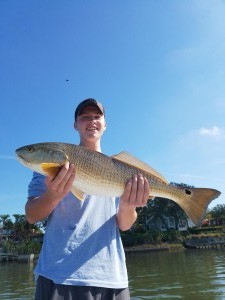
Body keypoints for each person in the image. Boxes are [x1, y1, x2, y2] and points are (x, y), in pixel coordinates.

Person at [25, 98, 150, 300]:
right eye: (85, 117)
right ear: (75, 125)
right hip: (59, 275)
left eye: (97, 116)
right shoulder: (46, 168)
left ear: (105, 124)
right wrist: (53, 194)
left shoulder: (122, 171)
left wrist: (128, 205)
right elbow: (31, 215)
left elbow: (125, 224)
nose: (91, 121)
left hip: (113, 277)